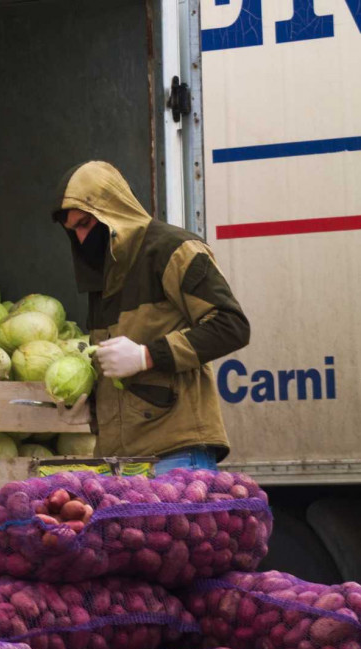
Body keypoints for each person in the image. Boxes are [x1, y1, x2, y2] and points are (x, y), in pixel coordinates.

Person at [52, 161, 250, 471]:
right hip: (120, 461)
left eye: (85, 224)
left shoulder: (174, 250)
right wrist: (91, 406)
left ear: (111, 211)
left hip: (176, 454)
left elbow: (231, 326)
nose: (80, 239)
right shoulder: (102, 277)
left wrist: (147, 355)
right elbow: (118, 369)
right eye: (72, 231)